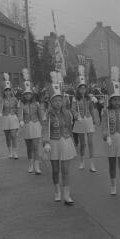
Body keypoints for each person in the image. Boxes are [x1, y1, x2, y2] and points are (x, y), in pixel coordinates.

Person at [44, 73, 76, 205]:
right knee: (56, 170)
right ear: (51, 102)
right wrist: (46, 142)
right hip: (54, 143)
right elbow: (45, 129)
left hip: (66, 141)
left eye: (59, 100)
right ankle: (57, 189)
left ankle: (67, 195)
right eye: (55, 100)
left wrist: (73, 142)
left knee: (66, 170)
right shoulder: (49, 114)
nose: (58, 102)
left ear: (63, 101)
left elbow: (69, 128)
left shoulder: (67, 113)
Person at [101, 67, 120, 200]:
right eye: (114, 100)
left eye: (119, 99)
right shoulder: (106, 112)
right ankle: (113, 185)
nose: (117, 102)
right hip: (111, 140)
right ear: (110, 100)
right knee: (112, 165)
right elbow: (103, 127)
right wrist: (106, 136)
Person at [72, 65, 99, 172]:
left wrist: (95, 120)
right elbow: (73, 109)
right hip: (79, 121)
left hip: (88, 121)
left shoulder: (89, 97)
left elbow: (92, 110)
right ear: (78, 89)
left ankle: (92, 164)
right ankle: (82, 161)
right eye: (81, 88)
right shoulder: (75, 98)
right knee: (82, 144)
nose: (83, 90)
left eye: (84, 88)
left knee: (91, 143)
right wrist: (76, 115)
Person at [18, 71, 43, 174]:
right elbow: (20, 115)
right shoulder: (21, 104)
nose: (27, 96)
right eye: (26, 94)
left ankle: (37, 166)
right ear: (23, 95)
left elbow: (40, 116)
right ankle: (30, 165)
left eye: (29, 94)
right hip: (27, 126)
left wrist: (42, 126)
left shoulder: (36, 104)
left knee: (36, 146)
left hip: (36, 125)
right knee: (29, 147)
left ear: (32, 94)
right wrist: (21, 121)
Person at [0, 73, 22, 159]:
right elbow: (0, 107)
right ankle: (10, 152)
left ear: (11, 90)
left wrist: (20, 119)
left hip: (13, 118)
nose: (7, 92)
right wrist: (0, 113)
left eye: (9, 90)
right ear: (4, 91)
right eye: (6, 90)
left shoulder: (14, 99)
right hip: (5, 118)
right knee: (7, 137)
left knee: (13, 135)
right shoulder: (2, 99)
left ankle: (15, 152)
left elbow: (18, 109)